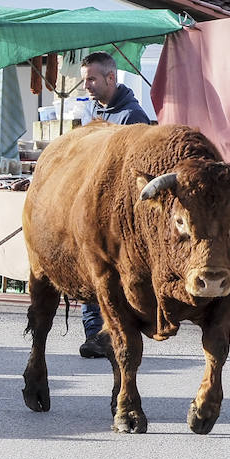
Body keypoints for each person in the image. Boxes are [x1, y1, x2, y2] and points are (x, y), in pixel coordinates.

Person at [77, 51, 150, 358]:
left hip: (118, 215)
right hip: (89, 208)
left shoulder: (134, 118)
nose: (87, 87)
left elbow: (139, 173)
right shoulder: (88, 112)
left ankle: (110, 331)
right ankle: (94, 333)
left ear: (111, 77)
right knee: (88, 269)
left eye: (91, 79)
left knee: (111, 275)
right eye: (84, 80)